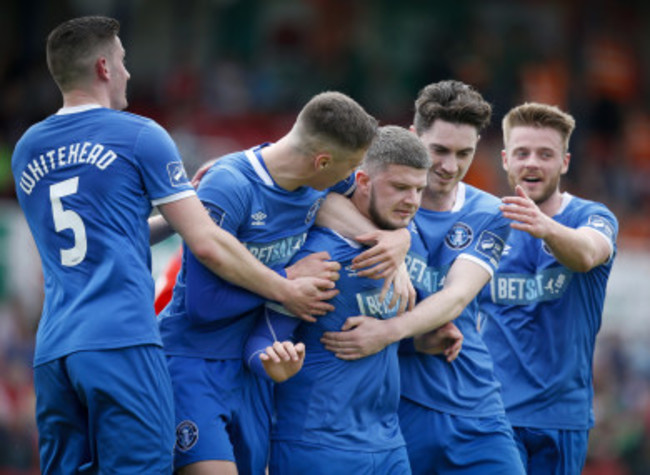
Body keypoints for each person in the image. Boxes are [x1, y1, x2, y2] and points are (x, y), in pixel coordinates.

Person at [11, 16, 338, 474]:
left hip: (55, 350)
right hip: (121, 340)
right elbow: (208, 245)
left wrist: (173, 213)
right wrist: (285, 288)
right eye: (123, 62)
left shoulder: (28, 148)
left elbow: (103, 236)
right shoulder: (139, 134)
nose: (127, 73)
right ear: (104, 67)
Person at [158, 91, 380, 474]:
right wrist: (287, 281)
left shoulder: (317, 181)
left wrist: (394, 241)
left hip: (254, 375)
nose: (351, 180)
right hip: (194, 365)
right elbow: (203, 305)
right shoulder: (229, 186)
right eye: (351, 168)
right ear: (322, 161)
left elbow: (368, 201)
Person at [321, 80, 526, 474]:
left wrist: (386, 331)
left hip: (473, 405)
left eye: (464, 153)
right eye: (439, 151)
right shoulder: (375, 194)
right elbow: (312, 198)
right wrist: (388, 241)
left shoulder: (490, 213)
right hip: (393, 410)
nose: (450, 166)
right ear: (414, 139)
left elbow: (456, 298)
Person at [244, 125, 435, 474]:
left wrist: (426, 335)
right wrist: (270, 361)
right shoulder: (321, 257)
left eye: (419, 189)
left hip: (389, 443)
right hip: (319, 443)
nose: (412, 201)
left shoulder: (405, 245)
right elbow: (264, 337)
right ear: (362, 181)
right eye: (400, 187)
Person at [479, 103, 618, 474]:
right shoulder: (483, 224)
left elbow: (588, 253)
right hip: (492, 414)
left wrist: (546, 229)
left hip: (562, 417)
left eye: (545, 154)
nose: (532, 163)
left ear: (565, 162)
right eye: (522, 153)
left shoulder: (592, 217)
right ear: (506, 160)